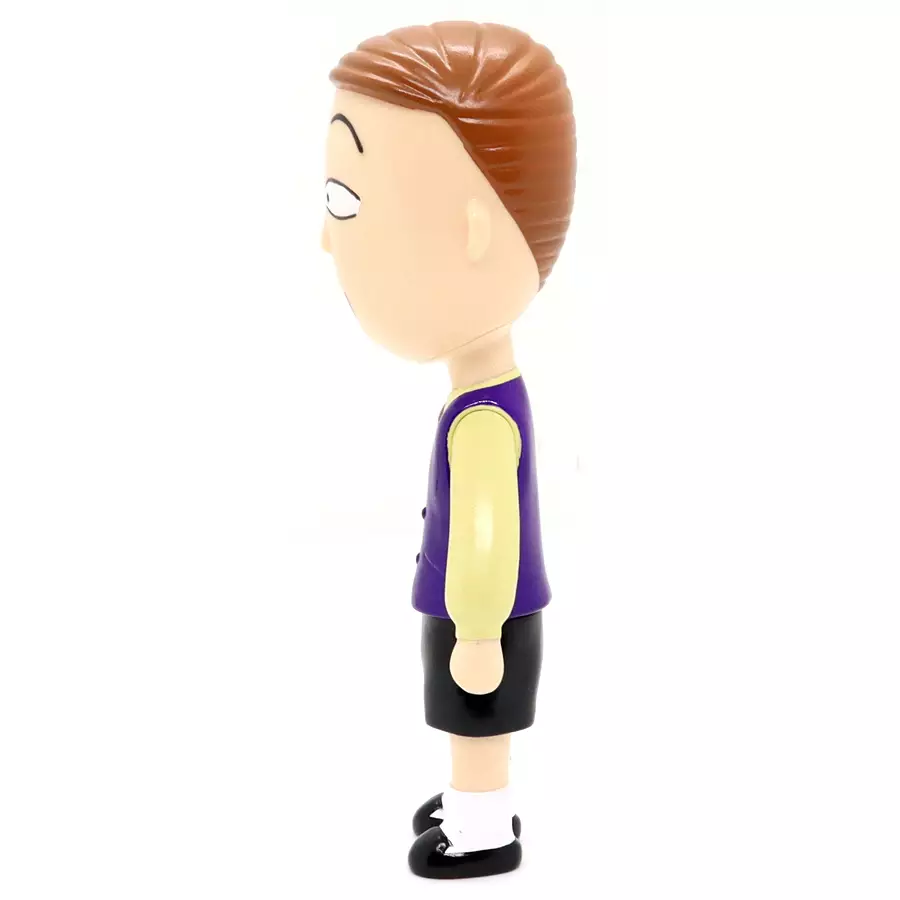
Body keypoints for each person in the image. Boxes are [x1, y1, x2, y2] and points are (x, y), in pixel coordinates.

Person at [321, 21, 577, 879]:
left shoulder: (484, 420)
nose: (328, 237)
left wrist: (475, 630)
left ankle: (481, 830)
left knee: (476, 722)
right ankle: (473, 803)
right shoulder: (482, 400)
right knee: (471, 724)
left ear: (475, 232)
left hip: (485, 617)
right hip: (481, 612)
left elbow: (485, 535)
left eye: (346, 202)